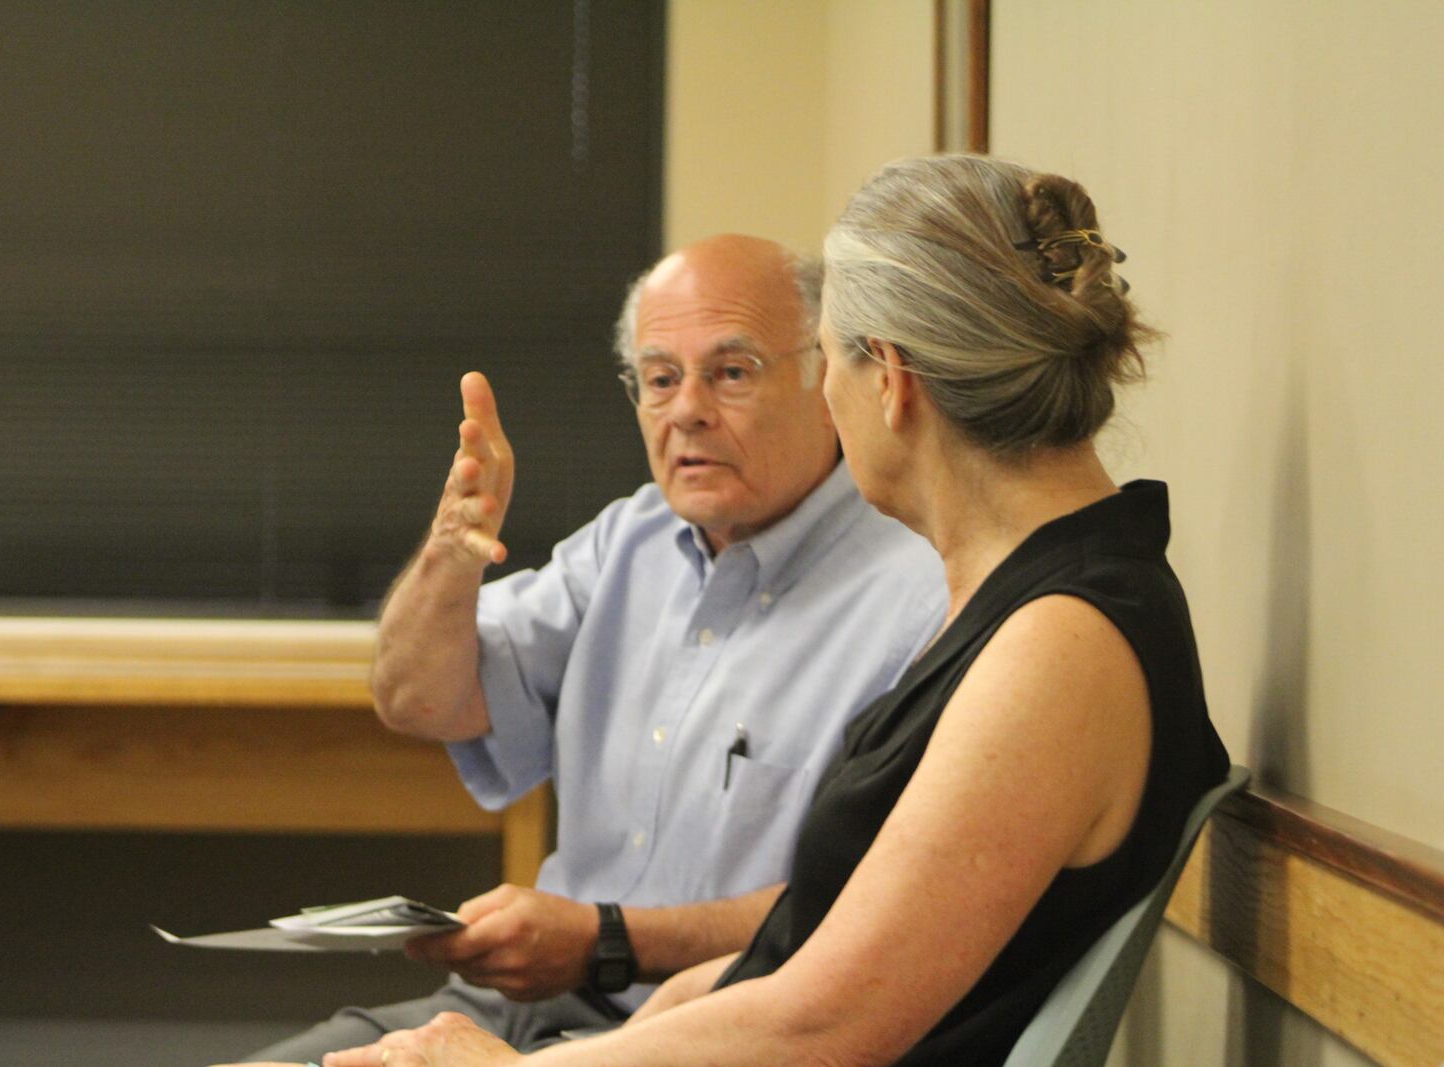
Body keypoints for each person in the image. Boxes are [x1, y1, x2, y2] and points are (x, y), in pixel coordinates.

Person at [295, 155, 1233, 1067]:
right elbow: (802, 967)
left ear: (890, 383)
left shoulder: (1061, 642)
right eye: (659, 378)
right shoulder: (1028, 602)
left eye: (820, 363)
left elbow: (826, 1028)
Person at [235, 234, 947, 1063]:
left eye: (732, 371)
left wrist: (608, 936)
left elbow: (876, 919)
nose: (687, 410)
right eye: (660, 379)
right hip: (512, 1005)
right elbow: (417, 699)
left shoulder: (917, 591)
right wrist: (451, 552)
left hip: (707, 1037)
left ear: (825, 378)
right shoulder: (632, 538)